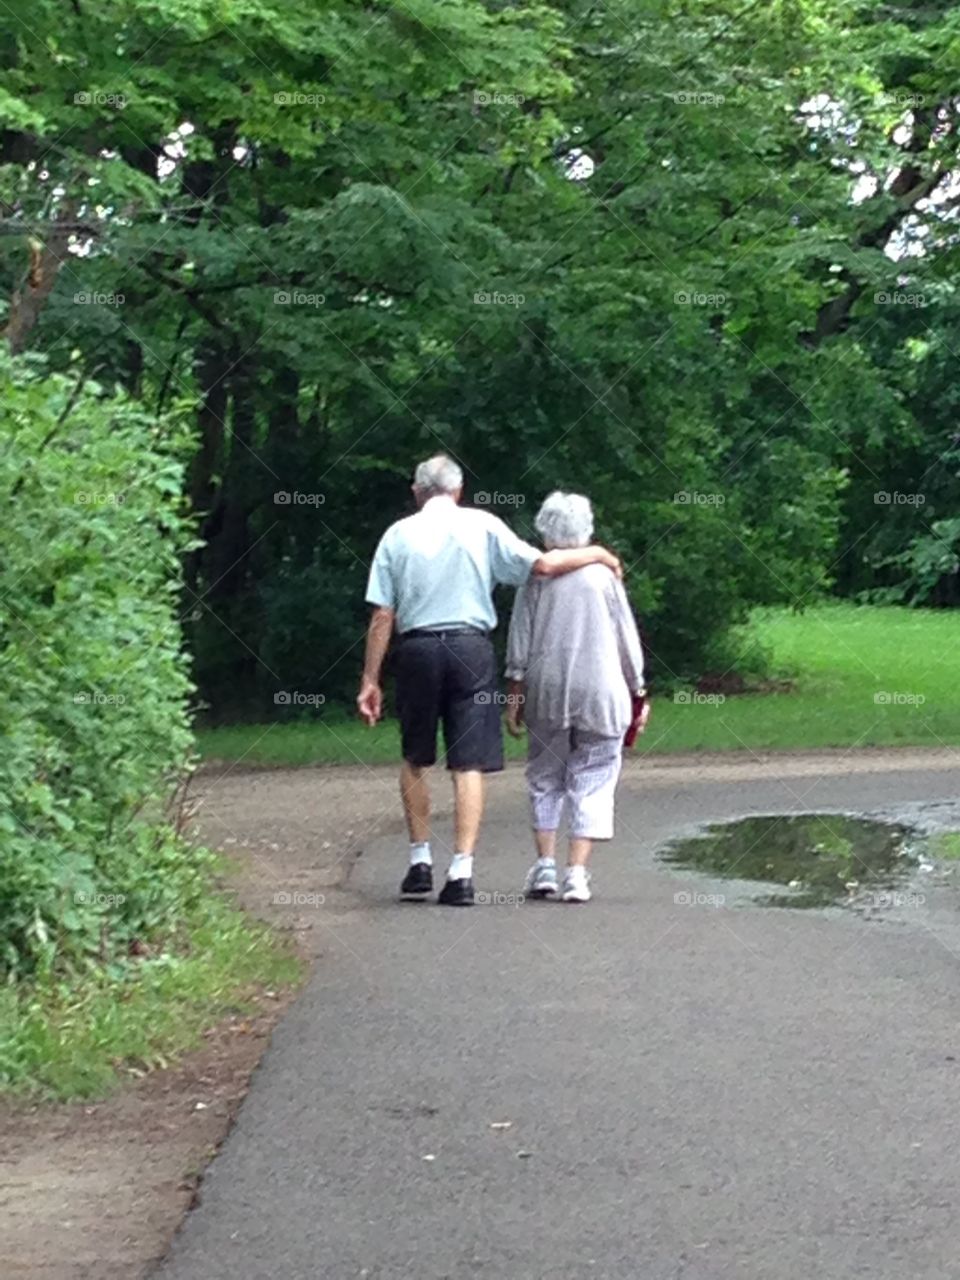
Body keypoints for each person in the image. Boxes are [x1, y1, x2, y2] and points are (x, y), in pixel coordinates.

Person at [357, 456, 623, 906]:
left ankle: (420, 861)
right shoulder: (482, 525)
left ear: (417, 492)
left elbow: (383, 613)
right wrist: (600, 554)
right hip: (469, 649)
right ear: (458, 491)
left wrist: (370, 679)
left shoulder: (396, 535)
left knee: (415, 756)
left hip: (417, 649)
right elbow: (543, 566)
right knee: (468, 762)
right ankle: (461, 873)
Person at [504, 491, 647, 903]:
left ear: (546, 530)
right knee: (595, 775)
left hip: (547, 689)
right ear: (587, 529)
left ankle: (545, 866)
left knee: (545, 775)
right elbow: (626, 637)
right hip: (603, 689)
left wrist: (514, 695)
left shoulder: (536, 578)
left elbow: (520, 641)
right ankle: (577, 874)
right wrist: (638, 689)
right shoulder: (605, 577)